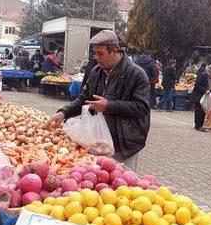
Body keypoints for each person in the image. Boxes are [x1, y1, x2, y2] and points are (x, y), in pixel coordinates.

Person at [47, 30, 150, 171]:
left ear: (114, 51)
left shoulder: (136, 74)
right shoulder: (96, 71)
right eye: (94, 53)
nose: (96, 57)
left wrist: (108, 105)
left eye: (100, 53)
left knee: (123, 183)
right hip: (99, 142)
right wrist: (64, 112)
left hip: (124, 144)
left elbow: (141, 107)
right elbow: (84, 98)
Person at [191, 64, 211, 132]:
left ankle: (201, 125)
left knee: (203, 111)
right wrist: (204, 90)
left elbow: (210, 87)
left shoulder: (210, 79)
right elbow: (197, 85)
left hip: (205, 97)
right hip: (199, 96)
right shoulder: (202, 75)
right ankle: (198, 126)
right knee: (198, 111)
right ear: (209, 71)